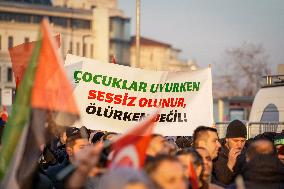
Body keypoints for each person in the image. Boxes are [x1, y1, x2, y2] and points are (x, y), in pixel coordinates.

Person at [212, 120, 247, 187]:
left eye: (242, 141)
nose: (239, 145)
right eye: (235, 141)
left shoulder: (246, 152)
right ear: (227, 139)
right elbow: (221, 183)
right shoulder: (217, 154)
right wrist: (230, 165)